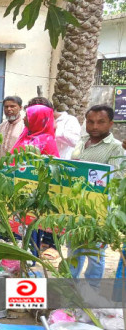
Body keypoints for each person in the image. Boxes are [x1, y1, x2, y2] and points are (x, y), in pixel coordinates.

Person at [69, 105, 124, 286]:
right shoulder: (82, 140)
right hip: (74, 205)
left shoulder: (115, 148)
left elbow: (116, 178)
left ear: (110, 124)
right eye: (90, 121)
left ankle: (92, 291)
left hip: (99, 208)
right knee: (73, 249)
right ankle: (69, 288)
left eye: (100, 122)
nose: (94, 126)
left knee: (95, 253)